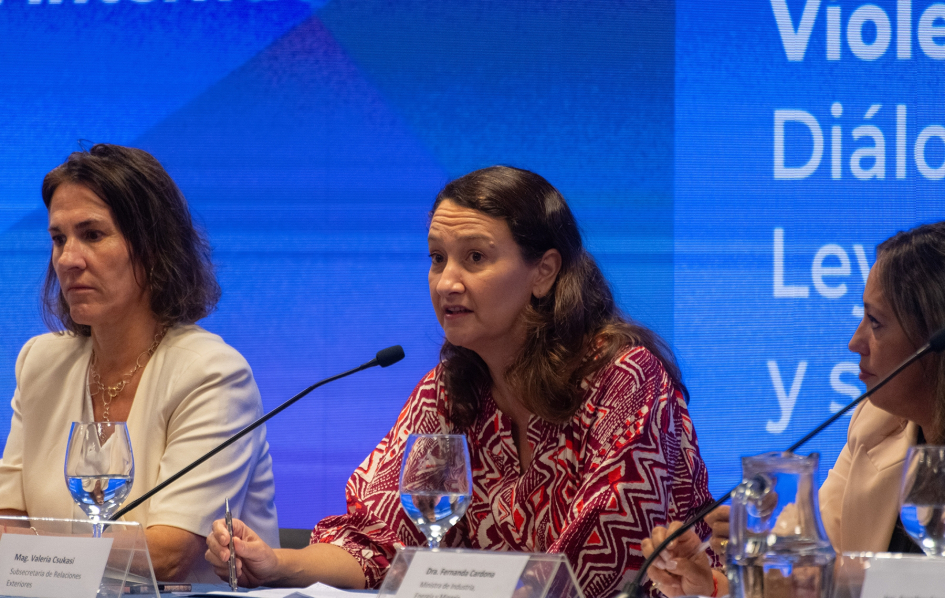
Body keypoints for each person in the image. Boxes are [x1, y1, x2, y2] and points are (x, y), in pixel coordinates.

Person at [205, 166, 714, 597]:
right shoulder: (448, 390)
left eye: (475, 257)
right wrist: (277, 565)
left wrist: (451, 580)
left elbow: (592, 567)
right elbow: (378, 542)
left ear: (544, 272)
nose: (447, 281)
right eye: (436, 258)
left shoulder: (623, 379)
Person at [0, 144, 279, 582]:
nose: (68, 259)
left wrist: (35, 547)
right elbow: (7, 518)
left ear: (152, 248)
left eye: (92, 234)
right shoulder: (40, 362)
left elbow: (169, 555)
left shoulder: (212, 374)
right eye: (59, 238)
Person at [641, 220, 945, 596]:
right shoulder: (876, 426)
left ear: (935, 338)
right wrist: (714, 583)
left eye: (876, 322)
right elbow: (809, 578)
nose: (855, 342)